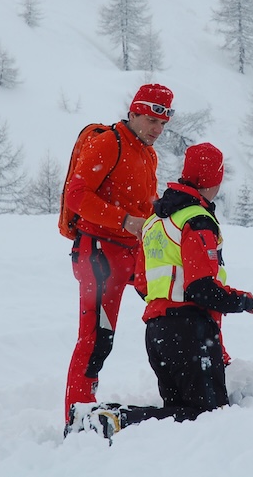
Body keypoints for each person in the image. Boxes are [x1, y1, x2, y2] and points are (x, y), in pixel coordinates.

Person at [71, 142, 253, 441]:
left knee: (179, 419)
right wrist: (242, 301)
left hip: (157, 331)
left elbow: (145, 284)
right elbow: (201, 288)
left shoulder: (155, 221)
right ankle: (119, 419)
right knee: (207, 417)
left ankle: (99, 417)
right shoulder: (196, 219)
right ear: (214, 180)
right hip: (190, 330)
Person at [62, 83, 174, 436]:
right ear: (135, 112)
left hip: (134, 253)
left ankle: (196, 385)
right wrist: (125, 220)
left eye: (163, 124)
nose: (158, 130)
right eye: (152, 120)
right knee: (96, 338)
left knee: (173, 309)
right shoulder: (109, 142)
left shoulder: (147, 153)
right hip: (99, 254)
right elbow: (76, 196)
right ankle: (77, 416)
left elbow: (143, 200)